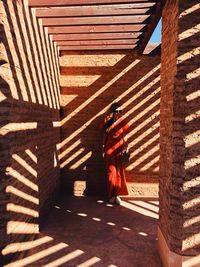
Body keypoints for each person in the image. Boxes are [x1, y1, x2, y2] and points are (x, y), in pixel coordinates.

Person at [102, 102, 129, 205]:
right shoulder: (108, 123)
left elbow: (125, 136)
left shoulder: (123, 122)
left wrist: (127, 146)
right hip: (109, 151)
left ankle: (117, 195)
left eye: (120, 111)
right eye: (116, 111)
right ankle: (111, 195)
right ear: (112, 112)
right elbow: (104, 136)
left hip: (120, 151)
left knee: (119, 173)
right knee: (111, 173)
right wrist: (103, 148)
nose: (118, 113)